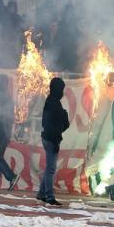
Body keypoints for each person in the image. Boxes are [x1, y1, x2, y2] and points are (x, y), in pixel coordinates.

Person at [37, 77, 70, 206]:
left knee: (49, 168)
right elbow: (53, 124)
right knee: (51, 169)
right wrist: (55, 141)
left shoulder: (52, 101)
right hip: (51, 139)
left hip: (48, 137)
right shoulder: (53, 103)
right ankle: (49, 196)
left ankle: (41, 193)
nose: (62, 92)